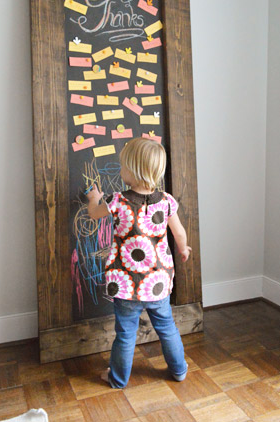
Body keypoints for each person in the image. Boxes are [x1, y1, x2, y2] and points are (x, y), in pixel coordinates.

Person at [87, 137, 191, 388]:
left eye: (123, 166)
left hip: (127, 284)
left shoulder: (116, 201)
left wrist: (94, 197)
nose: (120, 170)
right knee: (167, 327)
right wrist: (183, 248)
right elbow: (178, 232)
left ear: (132, 171)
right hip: (157, 282)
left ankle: (118, 379)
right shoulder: (166, 201)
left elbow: (93, 213)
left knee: (125, 334)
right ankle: (179, 370)